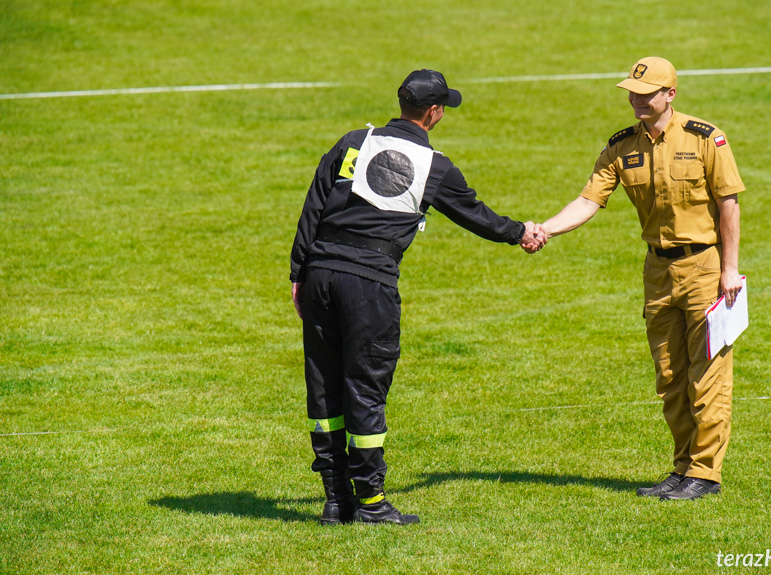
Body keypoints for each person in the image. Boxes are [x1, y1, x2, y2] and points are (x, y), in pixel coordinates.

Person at [290, 69, 546, 525]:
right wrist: (519, 232)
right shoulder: (436, 167)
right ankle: (370, 503)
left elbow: (315, 201)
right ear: (434, 112)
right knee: (365, 389)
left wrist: (298, 273)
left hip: (321, 275)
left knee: (325, 389)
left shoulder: (353, 141)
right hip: (369, 283)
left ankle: (335, 500)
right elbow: (475, 215)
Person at [540, 57, 744, 500]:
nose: (636, 100)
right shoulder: (621, 147)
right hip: (657, 272)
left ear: (670, 94)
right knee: (670, 377)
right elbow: (588, 200)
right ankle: (683, 468)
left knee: (707, 376)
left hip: (706, 268)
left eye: (647, 93)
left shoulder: (706, 138)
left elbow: (729, 204)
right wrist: (544, 229)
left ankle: (705, 474)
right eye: (632, 92)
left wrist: (730, 268)